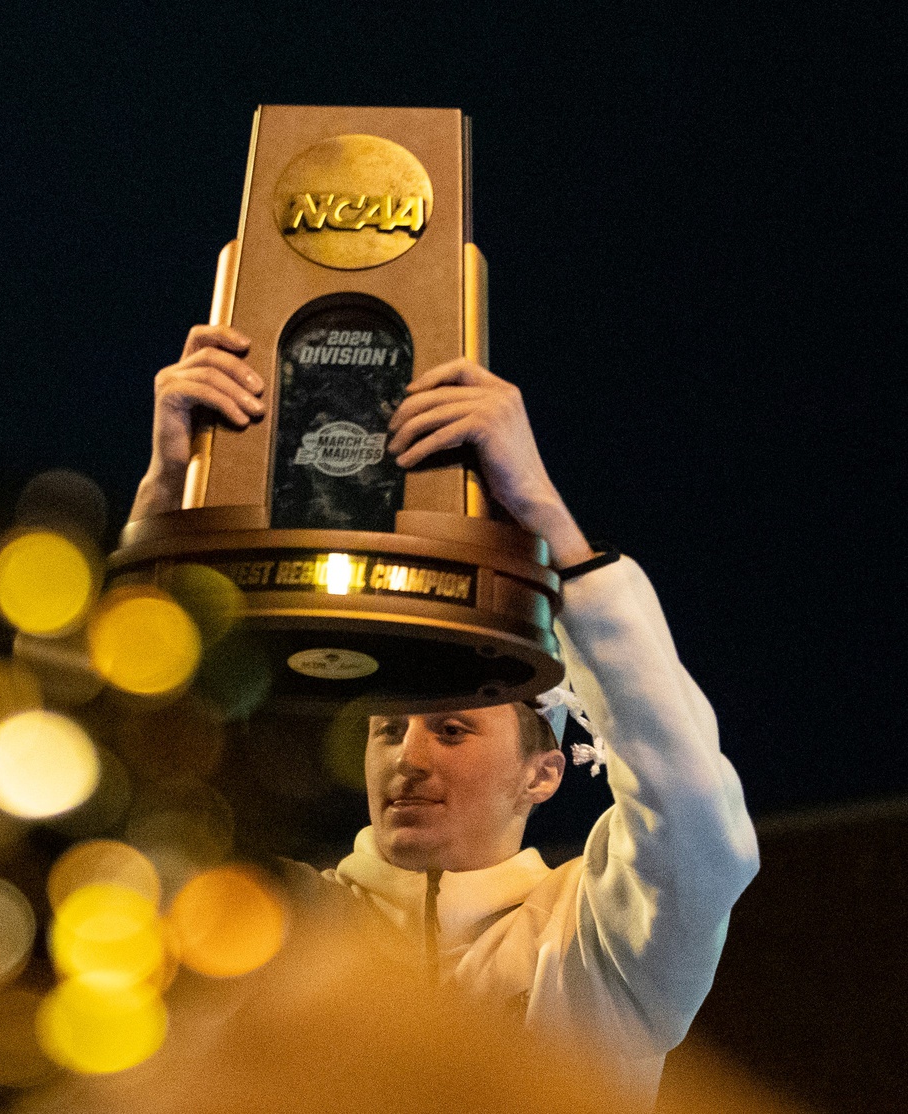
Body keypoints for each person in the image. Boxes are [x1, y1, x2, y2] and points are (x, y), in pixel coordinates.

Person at [128, 324, 759, 1106]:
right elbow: (82, 830)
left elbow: (695, 817)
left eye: (452, 729)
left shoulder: (596, 947)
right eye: (387, 729)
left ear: (543, 772)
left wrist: (544, 518)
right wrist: (168, 497)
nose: (407, 757)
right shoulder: (277, 928)